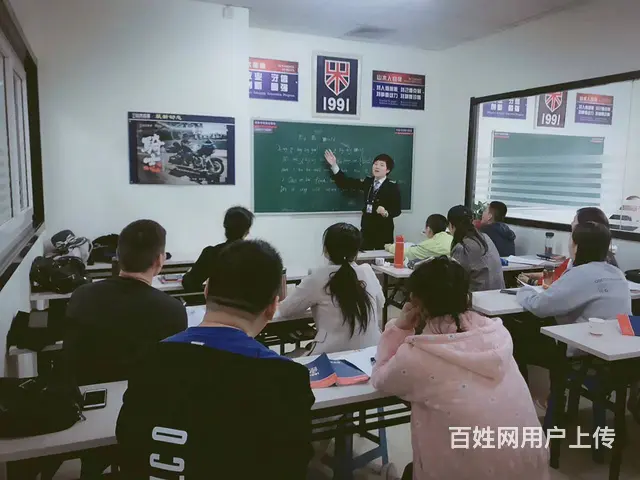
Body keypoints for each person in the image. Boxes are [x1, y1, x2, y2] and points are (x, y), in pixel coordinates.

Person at [116, 240, 314, 479]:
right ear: (273, 307)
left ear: (206, 290)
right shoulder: (285, 378)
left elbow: (128, 444)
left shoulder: (150, 358)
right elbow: (290, 468)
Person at [371, 256, 549, 480]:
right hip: (530, 468)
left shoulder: (420, 355)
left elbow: (380, 378)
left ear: (417, 303)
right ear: (466, 297)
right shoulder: (496, 334)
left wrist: (400, 327)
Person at [63, 219, 187, 386]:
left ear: (118, 255)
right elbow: (174, 371)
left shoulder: (81, 295)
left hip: (84, 394)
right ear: (160, 260)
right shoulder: (173, 310)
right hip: (143, 397)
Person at [279, 223, 383, 354]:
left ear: (326, 250)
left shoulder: (318, 276)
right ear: (357, 251)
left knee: (291, 356)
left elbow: (285, 310)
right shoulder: (367, 271)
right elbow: (380, 303)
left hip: (330, 355)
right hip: (371, 353)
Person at [517, 221, 631, 328]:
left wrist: (524, 291)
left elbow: (540, 306)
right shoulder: (617, 273)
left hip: (588, 338)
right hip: (623, 337)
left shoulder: (580, 274)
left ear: (576, 247)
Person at [518, 206, 619, 286]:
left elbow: (561, 287)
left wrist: (531, 282)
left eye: (574, 222)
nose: (571, 224)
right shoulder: (608, 265)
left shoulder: (586, 263)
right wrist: (533, 276)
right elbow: (558, 276)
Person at [324, 149, 401, 250]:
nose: (377, 167)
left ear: (387, 170)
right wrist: (334, 165)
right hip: (366, 230)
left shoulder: (392, 187)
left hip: (383, 232)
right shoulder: (368, 182)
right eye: (375, 164)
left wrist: (386, 213)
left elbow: (397, 210)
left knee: (382, 257)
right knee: (362, 255)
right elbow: (346, 183)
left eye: (381, 165)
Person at [181, 206, 254, 292]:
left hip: (217, 300)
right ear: (247, 230)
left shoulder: (211, 253)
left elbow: (189, 283)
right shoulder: (257, 255)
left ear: (225, 226)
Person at [448, 205, 504, 291]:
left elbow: (454, 280)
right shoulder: (485, 237)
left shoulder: (462, 247)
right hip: (499, 293)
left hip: (477, 296)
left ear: (451, 225)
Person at [385, 213, 452, 261]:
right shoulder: (453, 241)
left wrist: (390, 247)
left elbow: (403, 252)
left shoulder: (427, 246)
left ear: (428, 229)